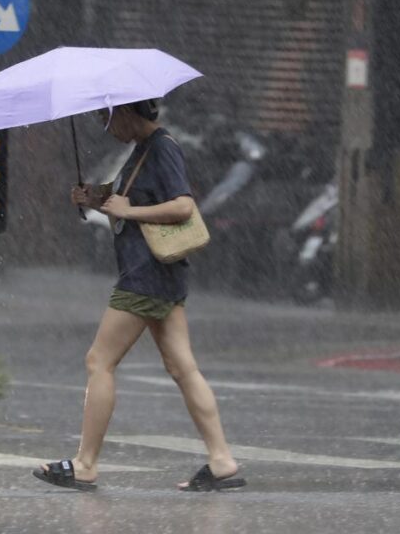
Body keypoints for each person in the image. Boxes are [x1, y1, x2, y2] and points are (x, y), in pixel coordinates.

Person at [32, 99, 245, 492]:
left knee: (99, 360)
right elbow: (127, 198)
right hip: (160, 277)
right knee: (183, 368)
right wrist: (93, 197)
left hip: (145, 276)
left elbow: (182, 206)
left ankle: (85, 464)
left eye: (106, 117)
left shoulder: (163, 147)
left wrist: (129, 213)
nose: (104, 126)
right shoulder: (143, 151)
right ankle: (221, 460)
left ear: (127, 112)